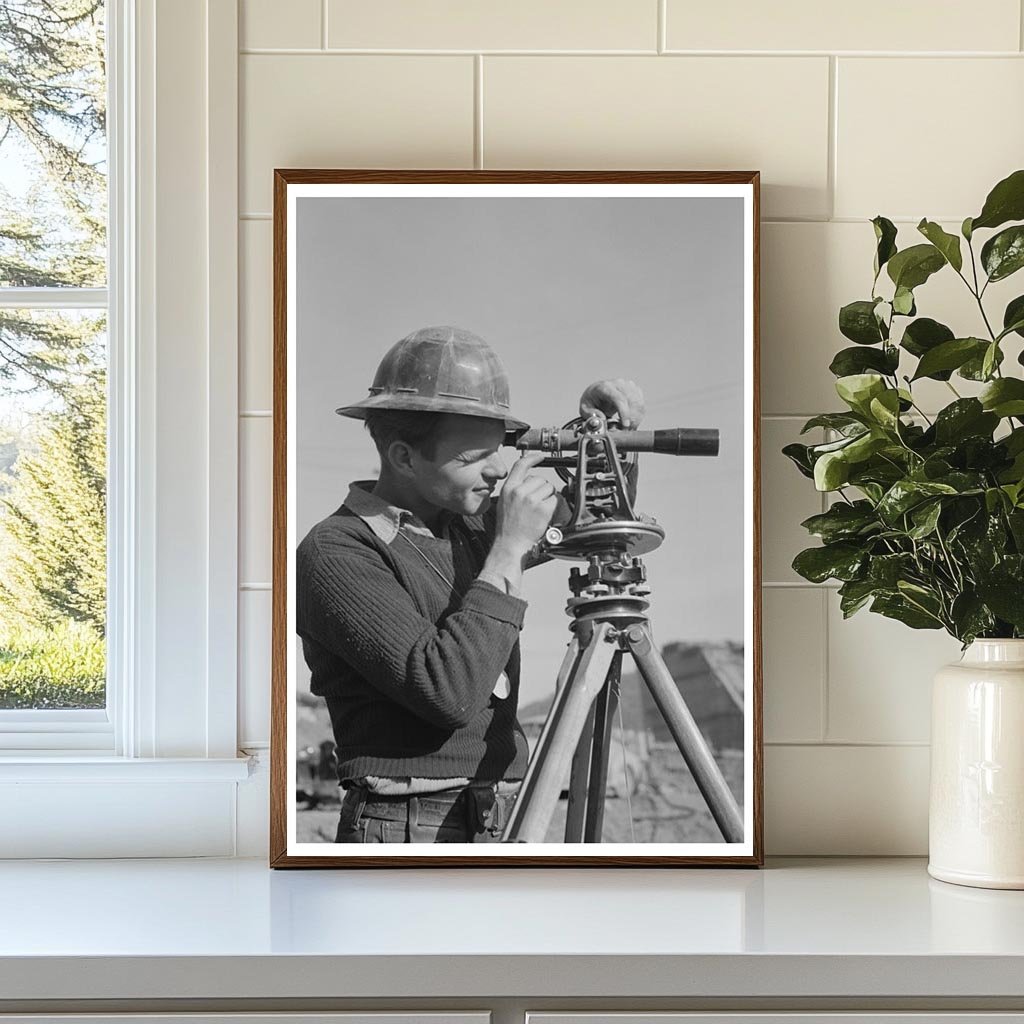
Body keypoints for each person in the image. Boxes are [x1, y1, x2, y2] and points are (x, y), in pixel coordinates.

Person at [296, 325, 644, 844]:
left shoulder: (470, 524)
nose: (497, 472)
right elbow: (447, 692)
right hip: (408, 822)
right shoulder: (338, 549)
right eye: (472, 459)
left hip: (500, 808)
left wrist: (608, 435)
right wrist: (507, 549)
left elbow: (597, 522)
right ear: (404, 456)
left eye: (497, 451)